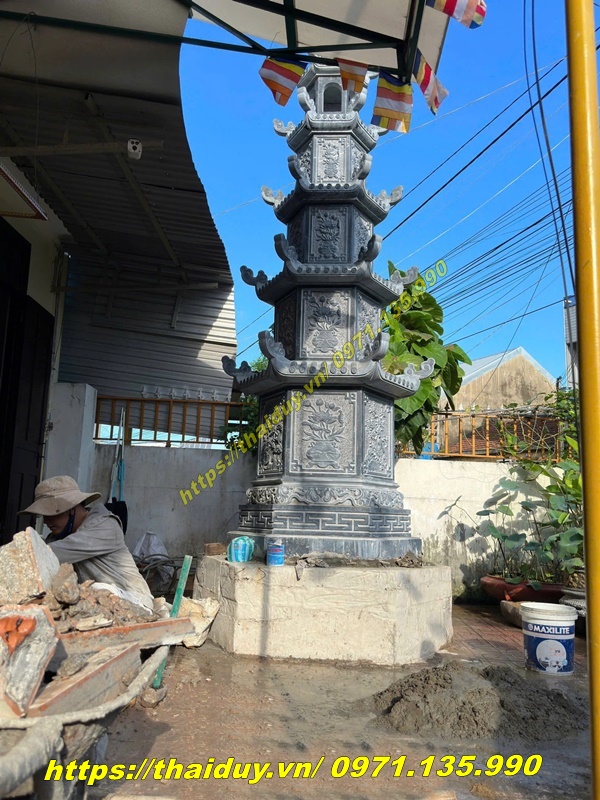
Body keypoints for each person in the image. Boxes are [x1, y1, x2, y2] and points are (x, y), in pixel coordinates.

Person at [20, 475, 154, 613]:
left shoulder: (104, 526)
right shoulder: (60, 536)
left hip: (136, 601)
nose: (46, 521)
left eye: (51, 514)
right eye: (44, 515)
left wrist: (17, 554)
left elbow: (46, 553)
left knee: (94, 590)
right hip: (101, 605)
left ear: (71, 508)